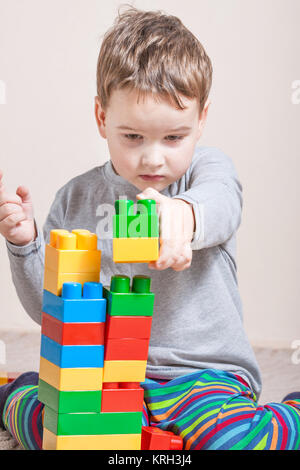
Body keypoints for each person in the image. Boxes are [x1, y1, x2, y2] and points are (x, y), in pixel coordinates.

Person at [0, 6, 299, 450]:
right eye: (133, 137)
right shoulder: (75, 197)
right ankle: (16, 391)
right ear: (102, 118)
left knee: (234, 442)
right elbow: (51, 312)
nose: (153, 158)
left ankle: (288, 412)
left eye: (174, 137)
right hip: (103, 374)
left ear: (201, 119)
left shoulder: (206, 173)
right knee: (65, 435)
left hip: (201, 376)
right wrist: (24, 245)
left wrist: (182, 215)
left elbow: (221, 205)